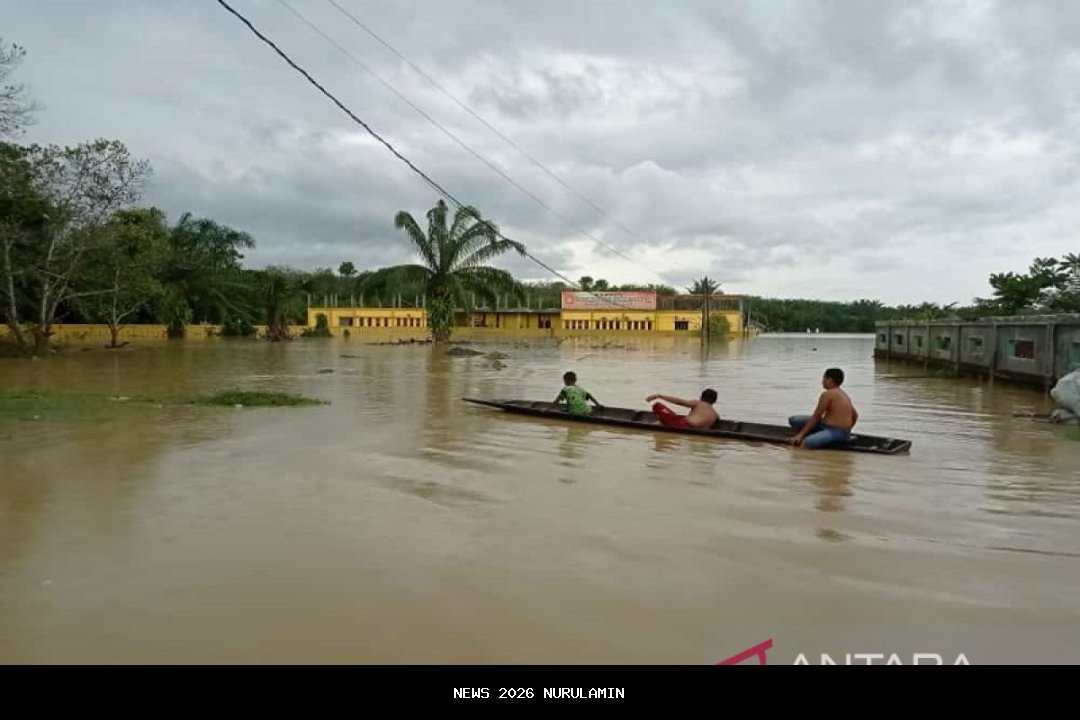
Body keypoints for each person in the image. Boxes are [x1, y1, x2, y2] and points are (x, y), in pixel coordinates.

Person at [788, 367, 859, 449]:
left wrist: (800, 435)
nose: (822, 381)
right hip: (826, 425)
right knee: (794, 419)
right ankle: (819, 433)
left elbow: (816, 416)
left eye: (823, 378)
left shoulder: (827, 394)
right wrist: (848, 431)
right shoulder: (843, 394)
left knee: (807, 442)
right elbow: (855, 415)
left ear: (829, 380)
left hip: (836, 431)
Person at [646, 389, 719, 429]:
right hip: (692, 426)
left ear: (701, 397)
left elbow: (679, 402)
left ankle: (660, 423)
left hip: (683, 425)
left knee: (657, 405)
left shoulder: (698, 403)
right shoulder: (715, 414)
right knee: (678, 417)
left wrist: (659, 396)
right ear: (714, 401)